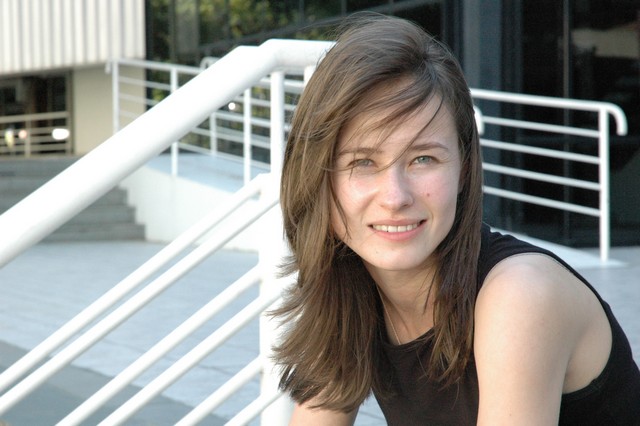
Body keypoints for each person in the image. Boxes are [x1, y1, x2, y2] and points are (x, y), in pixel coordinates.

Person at [272, 13, 640, 425]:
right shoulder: (350, 289)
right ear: (317, 177)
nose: (395, 197)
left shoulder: (521, 295)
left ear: (463, 168)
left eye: (423, 159)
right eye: (362, 162)